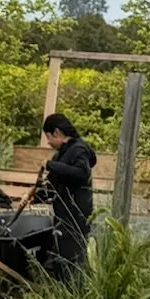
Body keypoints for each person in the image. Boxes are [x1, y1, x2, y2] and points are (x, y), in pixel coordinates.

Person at [41, 112, 97, 278]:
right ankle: (63, 294)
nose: (49, 143)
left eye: (49, 137)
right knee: (62, 258)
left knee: (73, 260)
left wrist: (50, 165)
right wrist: (36, 196)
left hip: (76, 215)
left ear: (57, 133)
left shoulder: (78, 149)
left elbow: (81, 173)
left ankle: (76, 294)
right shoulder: (62, 154)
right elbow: (54, 183)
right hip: (63, 215)